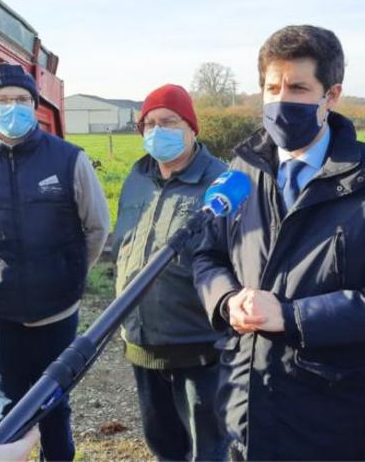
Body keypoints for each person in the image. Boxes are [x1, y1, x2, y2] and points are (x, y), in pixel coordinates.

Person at [192, 25, 365, 460]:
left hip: (330, 413)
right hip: (244, 399)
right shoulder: (241, 171)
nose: (281, 99)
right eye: (271, 87)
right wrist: (226, 301)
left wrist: (290, 316)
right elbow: (207, 255)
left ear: (331, 96)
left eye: (298, 87)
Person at [0, 63, 110, 460]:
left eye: (21, 99)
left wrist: (68, 273)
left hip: (57, 310)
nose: (12, 108)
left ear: (35, 106)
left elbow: (97, 227)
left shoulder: (70, 159)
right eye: (2, 100)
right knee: (7, 406)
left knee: (55, 403)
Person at [112, 84, 228, 460]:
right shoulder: (137, 178)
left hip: (198, 345)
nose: (157, 131)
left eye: (169, 121)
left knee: (207, 448)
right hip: (142, 340)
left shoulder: (221, 181)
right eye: (149, 124)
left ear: (192, 128)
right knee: (163, 445)